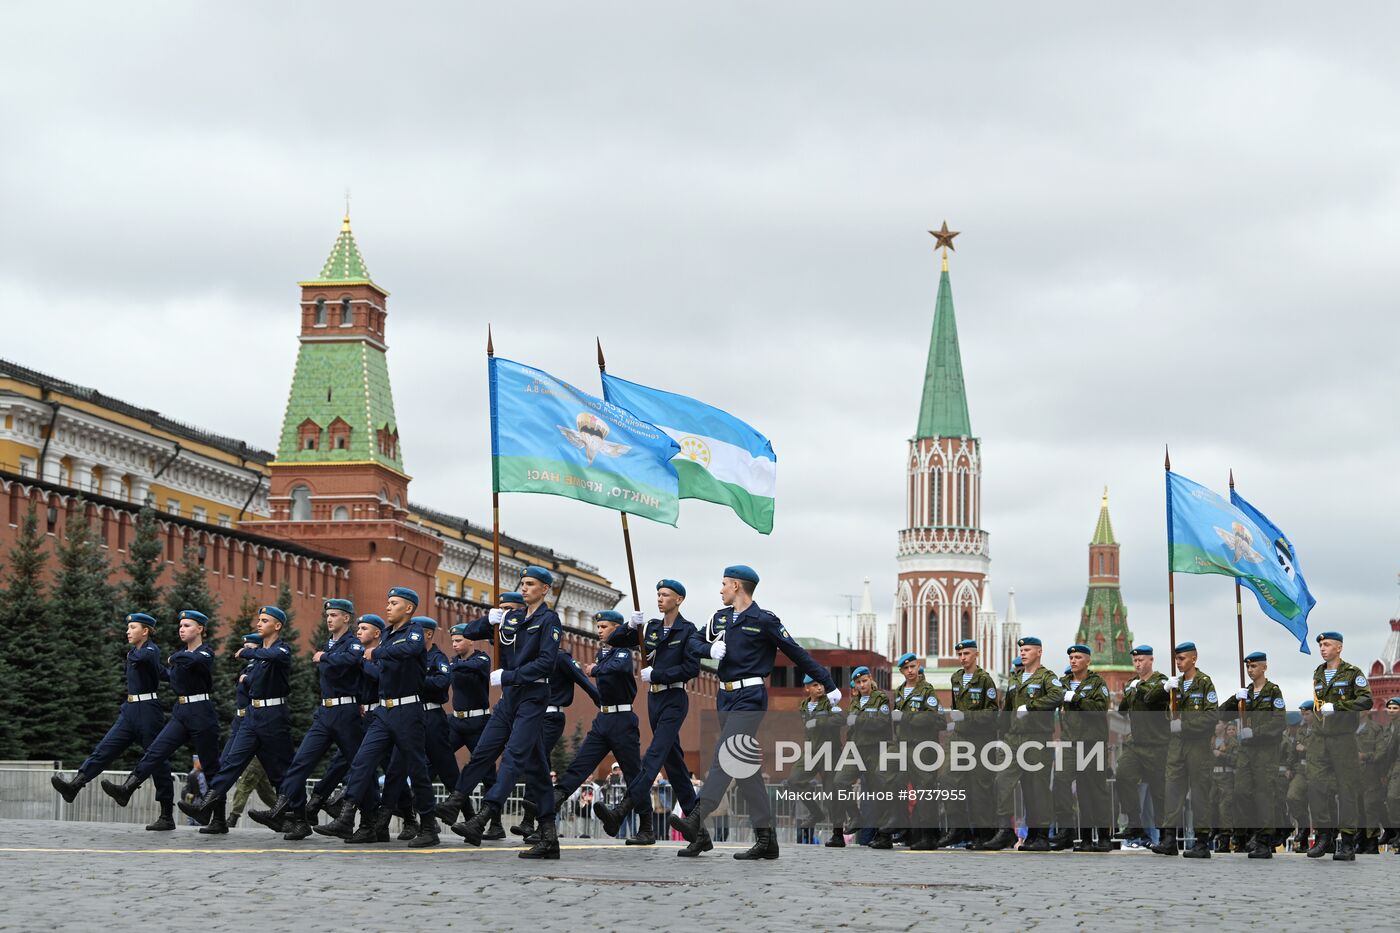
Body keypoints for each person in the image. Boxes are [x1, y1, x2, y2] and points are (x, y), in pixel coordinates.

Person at [671, 565, 839, 861]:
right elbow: (693, 643)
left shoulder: (764, 620)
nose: (720, 589)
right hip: (724, 696)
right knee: (744, 769)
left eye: (724, 584)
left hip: (750, 695)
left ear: (736, 586)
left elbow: (796, 653)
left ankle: (697, 815)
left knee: (727, 753)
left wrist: (827, 683)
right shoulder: (718, 618)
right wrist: (708, 650)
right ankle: (767, 840)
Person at [450, 568, 565, 859]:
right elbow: (471, 632)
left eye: (531, 584)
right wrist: (488, 620)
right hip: (510, 699)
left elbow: (546, 663)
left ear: (545, 590)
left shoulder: (548, 620)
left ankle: (484, 816)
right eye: (523, 584)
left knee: (513, 757)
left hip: (533, 696)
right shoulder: (513, 617)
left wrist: (510, 676)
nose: (524, 588)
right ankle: (549, 838)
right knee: (521, 763)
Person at [314, 588, 441, 847]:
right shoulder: (386, 636)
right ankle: (352, 819)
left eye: (394, 603)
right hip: (383, 711)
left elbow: (410, 648)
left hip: (408, 710)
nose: (388, 607)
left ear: (408, 608)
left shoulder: (412, 631)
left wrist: (377, 653)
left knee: (416, 769)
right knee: (362, 761)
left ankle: (428, 826)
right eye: (388, 602)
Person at [594, 580, 703, 846]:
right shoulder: (652, 627)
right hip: (654, 698)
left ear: (679, 599)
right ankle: (700, 835)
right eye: (658, 594)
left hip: (674, 698)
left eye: (665, 595)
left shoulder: (688, 631)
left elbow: (691, 669)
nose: (660, 598)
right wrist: (631, 626)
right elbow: (615, 640)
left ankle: (622, 810)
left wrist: (659, 673)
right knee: (674, 763)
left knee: (655, 754)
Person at [248, 599, 367, 841]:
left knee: (359, 767)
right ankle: (282, 808)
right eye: (327, 615)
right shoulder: (330, 645)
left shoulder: (352, 644)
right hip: (325, 713)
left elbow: (353, 661)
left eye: (334, 615)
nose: (329, 619)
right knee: (300, 762)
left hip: (346, 714)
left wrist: (324, 657)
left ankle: (370, 820)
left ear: (346, 618)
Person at [102, 609, 221, 832]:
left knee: (210, 765)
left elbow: (195, 660)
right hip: (181, 710)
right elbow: (170, 676)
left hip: (202, 711)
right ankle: (128, 788)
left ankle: (219, 819)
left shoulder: (205, 653)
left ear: (200, 629)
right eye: (181, 626)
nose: (182, 629)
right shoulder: (179, 657)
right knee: (156, 751)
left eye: (187, 625)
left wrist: (173, 657)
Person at [51, 612, 174, 825]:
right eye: (128, 628)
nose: (128, 631)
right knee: (104, 749)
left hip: (147, 711)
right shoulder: (135, 653)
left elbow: (149, 659)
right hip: (130, 710)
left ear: (145, 631)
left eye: (133, 628)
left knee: (157, 761)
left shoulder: (150, 649)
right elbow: (162, 672)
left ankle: (166, 815)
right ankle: (75, 786)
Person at [180, 606, 296, 831]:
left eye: (264, 620)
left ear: (278, 625)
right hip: (252, 717)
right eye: (259, 620)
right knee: (231, 763)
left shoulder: (281, 650)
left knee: (280, 771)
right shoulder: (260, 658)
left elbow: (273, 656)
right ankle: (206, 807)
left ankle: (298, 818)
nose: (259, 624)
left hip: (274, 717)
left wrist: (247, 652)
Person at [551, 611, 647, 841]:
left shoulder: (623, 652)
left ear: (617, 628)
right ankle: (555, 799)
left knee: (634, 775)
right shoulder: (602, 653)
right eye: (598, 626)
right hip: (603, 719)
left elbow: (621, 668)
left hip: (623, 720)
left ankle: (647, 827)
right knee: (581, 763)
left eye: (604, 626)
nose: (599, 630)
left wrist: (595, 670)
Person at [378, 616, 460, 841]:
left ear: (428, 634)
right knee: (397, 769)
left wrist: (416, 682)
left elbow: (442, 682)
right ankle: (386, 821)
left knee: (445, 767)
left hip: (431, 715)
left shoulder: (437, 657)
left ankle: (469, 817)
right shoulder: (405, 655)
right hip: (407, 712)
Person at [977, 636, 1063, 851]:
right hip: (1013, 740)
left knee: (1036, 789)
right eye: (1022, 650)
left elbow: (1057, 696)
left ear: (1039, 652)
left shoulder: (1047, 677)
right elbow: (1007, 708)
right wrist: (1000, 731)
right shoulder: (1015, 678)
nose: (1023, 653)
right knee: (1001, 782)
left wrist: (1033, 706)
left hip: (1036, 739)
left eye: (1027, 650)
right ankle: (1005, 830)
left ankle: (1039, 835)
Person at [1306, 630, 1372, 861]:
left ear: (1339, 648)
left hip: (1343, 738)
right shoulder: (1318, 673)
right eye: (1321, 645)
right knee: (1316, 786)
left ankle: (1348, 841)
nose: (1323, 648)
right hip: (1320, 739)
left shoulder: (1352, 673)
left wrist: (1338, 707)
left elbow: (1366, 700)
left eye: (1327, 644)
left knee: (1347, 790)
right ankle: (1324, 836)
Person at [1150, 641, 1217, 858]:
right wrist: (1164, 689)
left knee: (1199, 793)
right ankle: (1169, 839)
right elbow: (1149, 701)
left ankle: (1201, 842)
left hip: (1197, 745)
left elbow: (1211, 716)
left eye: (1182, 659)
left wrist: (1185, 725)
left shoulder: (1204, 683)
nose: (1178, 663)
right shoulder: (1175, 684)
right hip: (1177, 745)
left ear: (1193, 659)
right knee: (1172, 791)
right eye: (1176, 659)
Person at [433, 621, 500, 836]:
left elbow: (475, 668)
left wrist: (452, 667)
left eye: (459, 640)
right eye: (452, 640)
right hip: (457, 722)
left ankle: (495, 824)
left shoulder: (481, 659)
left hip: (479, 723)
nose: (454, 644)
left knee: (488, 773)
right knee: (437, 756)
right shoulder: (453, 662)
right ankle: (451, 810)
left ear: (471, 640)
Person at [936, 639, 998, 849]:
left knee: (979, 787)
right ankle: (957, 827)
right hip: (959, 738)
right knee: (946, 778)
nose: (963, 658)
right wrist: (957, 721)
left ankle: (983, 835)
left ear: (976, 655)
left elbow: (992, 713)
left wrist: (967, 717)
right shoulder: (956, 678)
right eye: (960, 654)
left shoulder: (985, 680)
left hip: (980, 740)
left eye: (967, 654)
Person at [1052, 643, 1111, 852]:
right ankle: (1067, 830)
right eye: (1071, 658)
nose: (1073, 660)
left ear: (1087, 660)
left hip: (1091, 743)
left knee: (1092, 791)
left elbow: (1100, 708)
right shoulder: (1062, 683)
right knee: (1060, 780)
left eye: (1078, 657)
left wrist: (1076, 699)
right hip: (1069, 742)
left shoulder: (1097, 683)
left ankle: (1100, 837)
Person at [1230, 650, 1286, 858]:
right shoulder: (1246, 693)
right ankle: (1251, 833)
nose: (1250, 670)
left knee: (1264, 795)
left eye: (1254, 666)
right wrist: (1235, 699)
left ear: (1264, 667)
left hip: (1265, 751)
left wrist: (1255, 732)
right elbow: (1222, 712)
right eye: (1248, 667)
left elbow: (1279, 722)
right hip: (1246, 752)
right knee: (1241, 793)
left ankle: (1264, 841)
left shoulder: (1273, 692)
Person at [889, 652, 945, 849]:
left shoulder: (927, 691)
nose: (910, 671)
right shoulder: (900, 691)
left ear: (918, 666)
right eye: (906, 668)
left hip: (922, 748)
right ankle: (909, 831)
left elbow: (933, 718)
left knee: (924, 791)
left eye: (913, 666)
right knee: (895, 785)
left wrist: (904, 717)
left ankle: (928, 836)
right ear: (902, 671)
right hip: (904, 746)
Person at [1115, 645, 1168, 849]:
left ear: (1151, 660)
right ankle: (1134, 824)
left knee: (1159, 793)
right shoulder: (1130, 684)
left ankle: (1165, 835)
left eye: (1141, 660)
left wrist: (1138, 688)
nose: (1137, 664)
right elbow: (1122, 711)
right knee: (1123, 776)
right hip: (1136, 744)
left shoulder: (1161, 681)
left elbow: (1151, 697)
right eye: (1135, 661)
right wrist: (1129, 692)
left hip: (1157, 744)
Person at [783, 674, 844, 845]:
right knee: (794, 780)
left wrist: (819, 722)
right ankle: (816, 812)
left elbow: (841, 719)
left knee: (832, 794)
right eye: (815, 685)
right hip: (810, 751)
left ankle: (838, 834)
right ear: (807, 688)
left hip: (829, 752)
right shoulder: (804, 706)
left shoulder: (830, 702)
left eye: (822, 685)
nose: (820, 688)